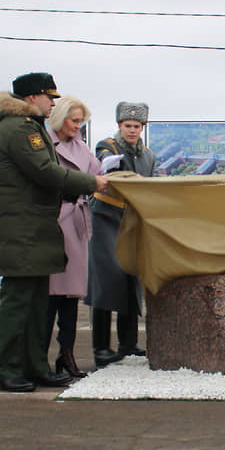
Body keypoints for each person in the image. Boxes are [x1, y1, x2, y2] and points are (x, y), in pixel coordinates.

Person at [0, 72, 110, 393]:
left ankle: (36, 367)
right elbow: (45, 171)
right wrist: (92, 183)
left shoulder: (28, 127)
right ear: (31, 98)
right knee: (18, 306)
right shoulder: (18, 129)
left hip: (34, 229)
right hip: (22, 229)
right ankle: (10, 370)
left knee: (36, 306)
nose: (53, 103)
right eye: (49, 97)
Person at [87, 102, 155, 367]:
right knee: (105, 280)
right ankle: (101, 347)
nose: (132, 130)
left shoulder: (148, 155)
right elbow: (110, 171)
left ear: (142, 127)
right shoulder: (107, 146)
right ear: (119, 126)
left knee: (130, 277)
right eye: (127, 125)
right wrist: (132, 178)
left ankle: (128, 343)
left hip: (131, 220)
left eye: (137, 126)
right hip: (105, 216)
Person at [45, 95, 100, 378]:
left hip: (76, 223)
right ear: (60, 118)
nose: (78, 126)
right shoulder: (44, 145)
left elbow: (99, 177)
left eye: (81, 121)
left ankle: (66, 354)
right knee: (50, 297)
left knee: (71, 297)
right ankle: (42, 357)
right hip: (54, 223)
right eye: (74, 120)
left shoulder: (82, 148)